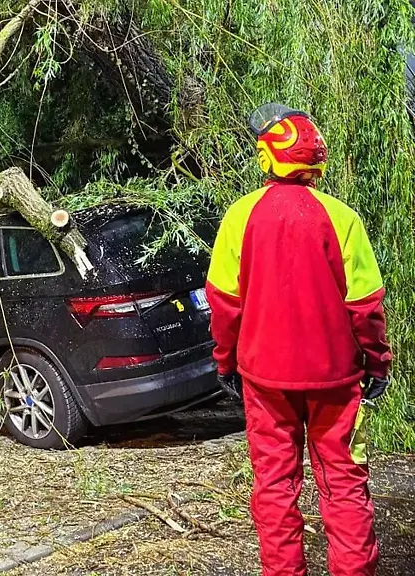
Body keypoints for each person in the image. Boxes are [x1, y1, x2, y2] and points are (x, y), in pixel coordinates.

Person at [205, 103, 391, 576]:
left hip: (265, 382)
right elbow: (366, 307)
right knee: (345, 485)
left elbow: (224, 303)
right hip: (336, 380)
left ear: (267, 157)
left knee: (274, 485)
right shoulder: (342, 218)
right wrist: (377, 364)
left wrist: (226, 362)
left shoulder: (239, 217)